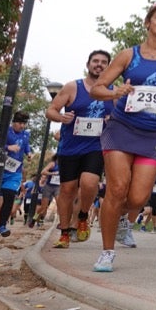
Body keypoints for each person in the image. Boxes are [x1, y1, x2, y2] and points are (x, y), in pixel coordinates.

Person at [88, 2, 156, 272]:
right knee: (117, 188)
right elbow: (97, 88)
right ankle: (107, 252)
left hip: (153, 134)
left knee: (136, 199)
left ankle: (121, 218)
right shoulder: (128, 55)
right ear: (148, 23)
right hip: (121, 128)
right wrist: (116, 92)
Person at [45, 50, 115, 249]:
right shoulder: (72, 87)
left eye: (103, 62)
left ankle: (83, 215)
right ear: (88, 64)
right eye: (95, 61)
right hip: (70, 148)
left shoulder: (113, 90)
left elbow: (123, 115)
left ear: (108, 67)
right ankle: (65, 232)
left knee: (90, 182)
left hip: (96, 145)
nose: (99, 65)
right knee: (67, 190)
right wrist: (61, 118)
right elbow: (50, 110)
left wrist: (113, 120)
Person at [0, 112, 32, 237]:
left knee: (9, 196)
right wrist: (8, 147)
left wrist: (29, 154)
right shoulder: (4, 131)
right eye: (20, 123)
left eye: (24, 124)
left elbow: (27, 146)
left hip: (14, 173)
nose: (22, 126)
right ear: (14, 122)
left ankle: (2, 226)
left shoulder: (26, 135)